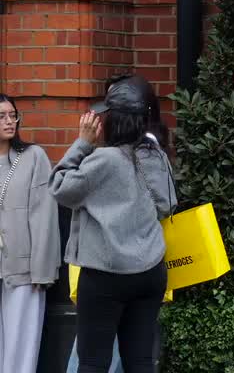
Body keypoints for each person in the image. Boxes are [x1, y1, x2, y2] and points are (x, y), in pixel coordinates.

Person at [50, 75, 177, 373]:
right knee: (140, 361)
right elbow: (168, 204)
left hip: (105, 276)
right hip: (150, 271)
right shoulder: (156, 155)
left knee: (93, 362)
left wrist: (82, 144)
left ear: (113, 121)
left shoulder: (101, 161)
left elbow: (59, 186)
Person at [0, 94, 60, 373]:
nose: (9, 122)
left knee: (20, 346)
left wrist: (42, 269)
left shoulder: (33, 157)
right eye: (1, 116)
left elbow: (44, 216)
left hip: (24, 266)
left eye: (13, 115)